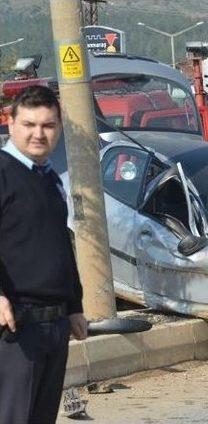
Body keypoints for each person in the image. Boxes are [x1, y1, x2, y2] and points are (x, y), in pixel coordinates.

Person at [0, 86, 87, 423]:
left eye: (48, 126)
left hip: (54, 325)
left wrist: (75, 306)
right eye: (29, 124)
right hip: (16, 328)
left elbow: (60, 245)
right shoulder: (4, 172)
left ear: (59, 128)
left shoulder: (50, 179)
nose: (39, 133)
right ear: (11, 124)